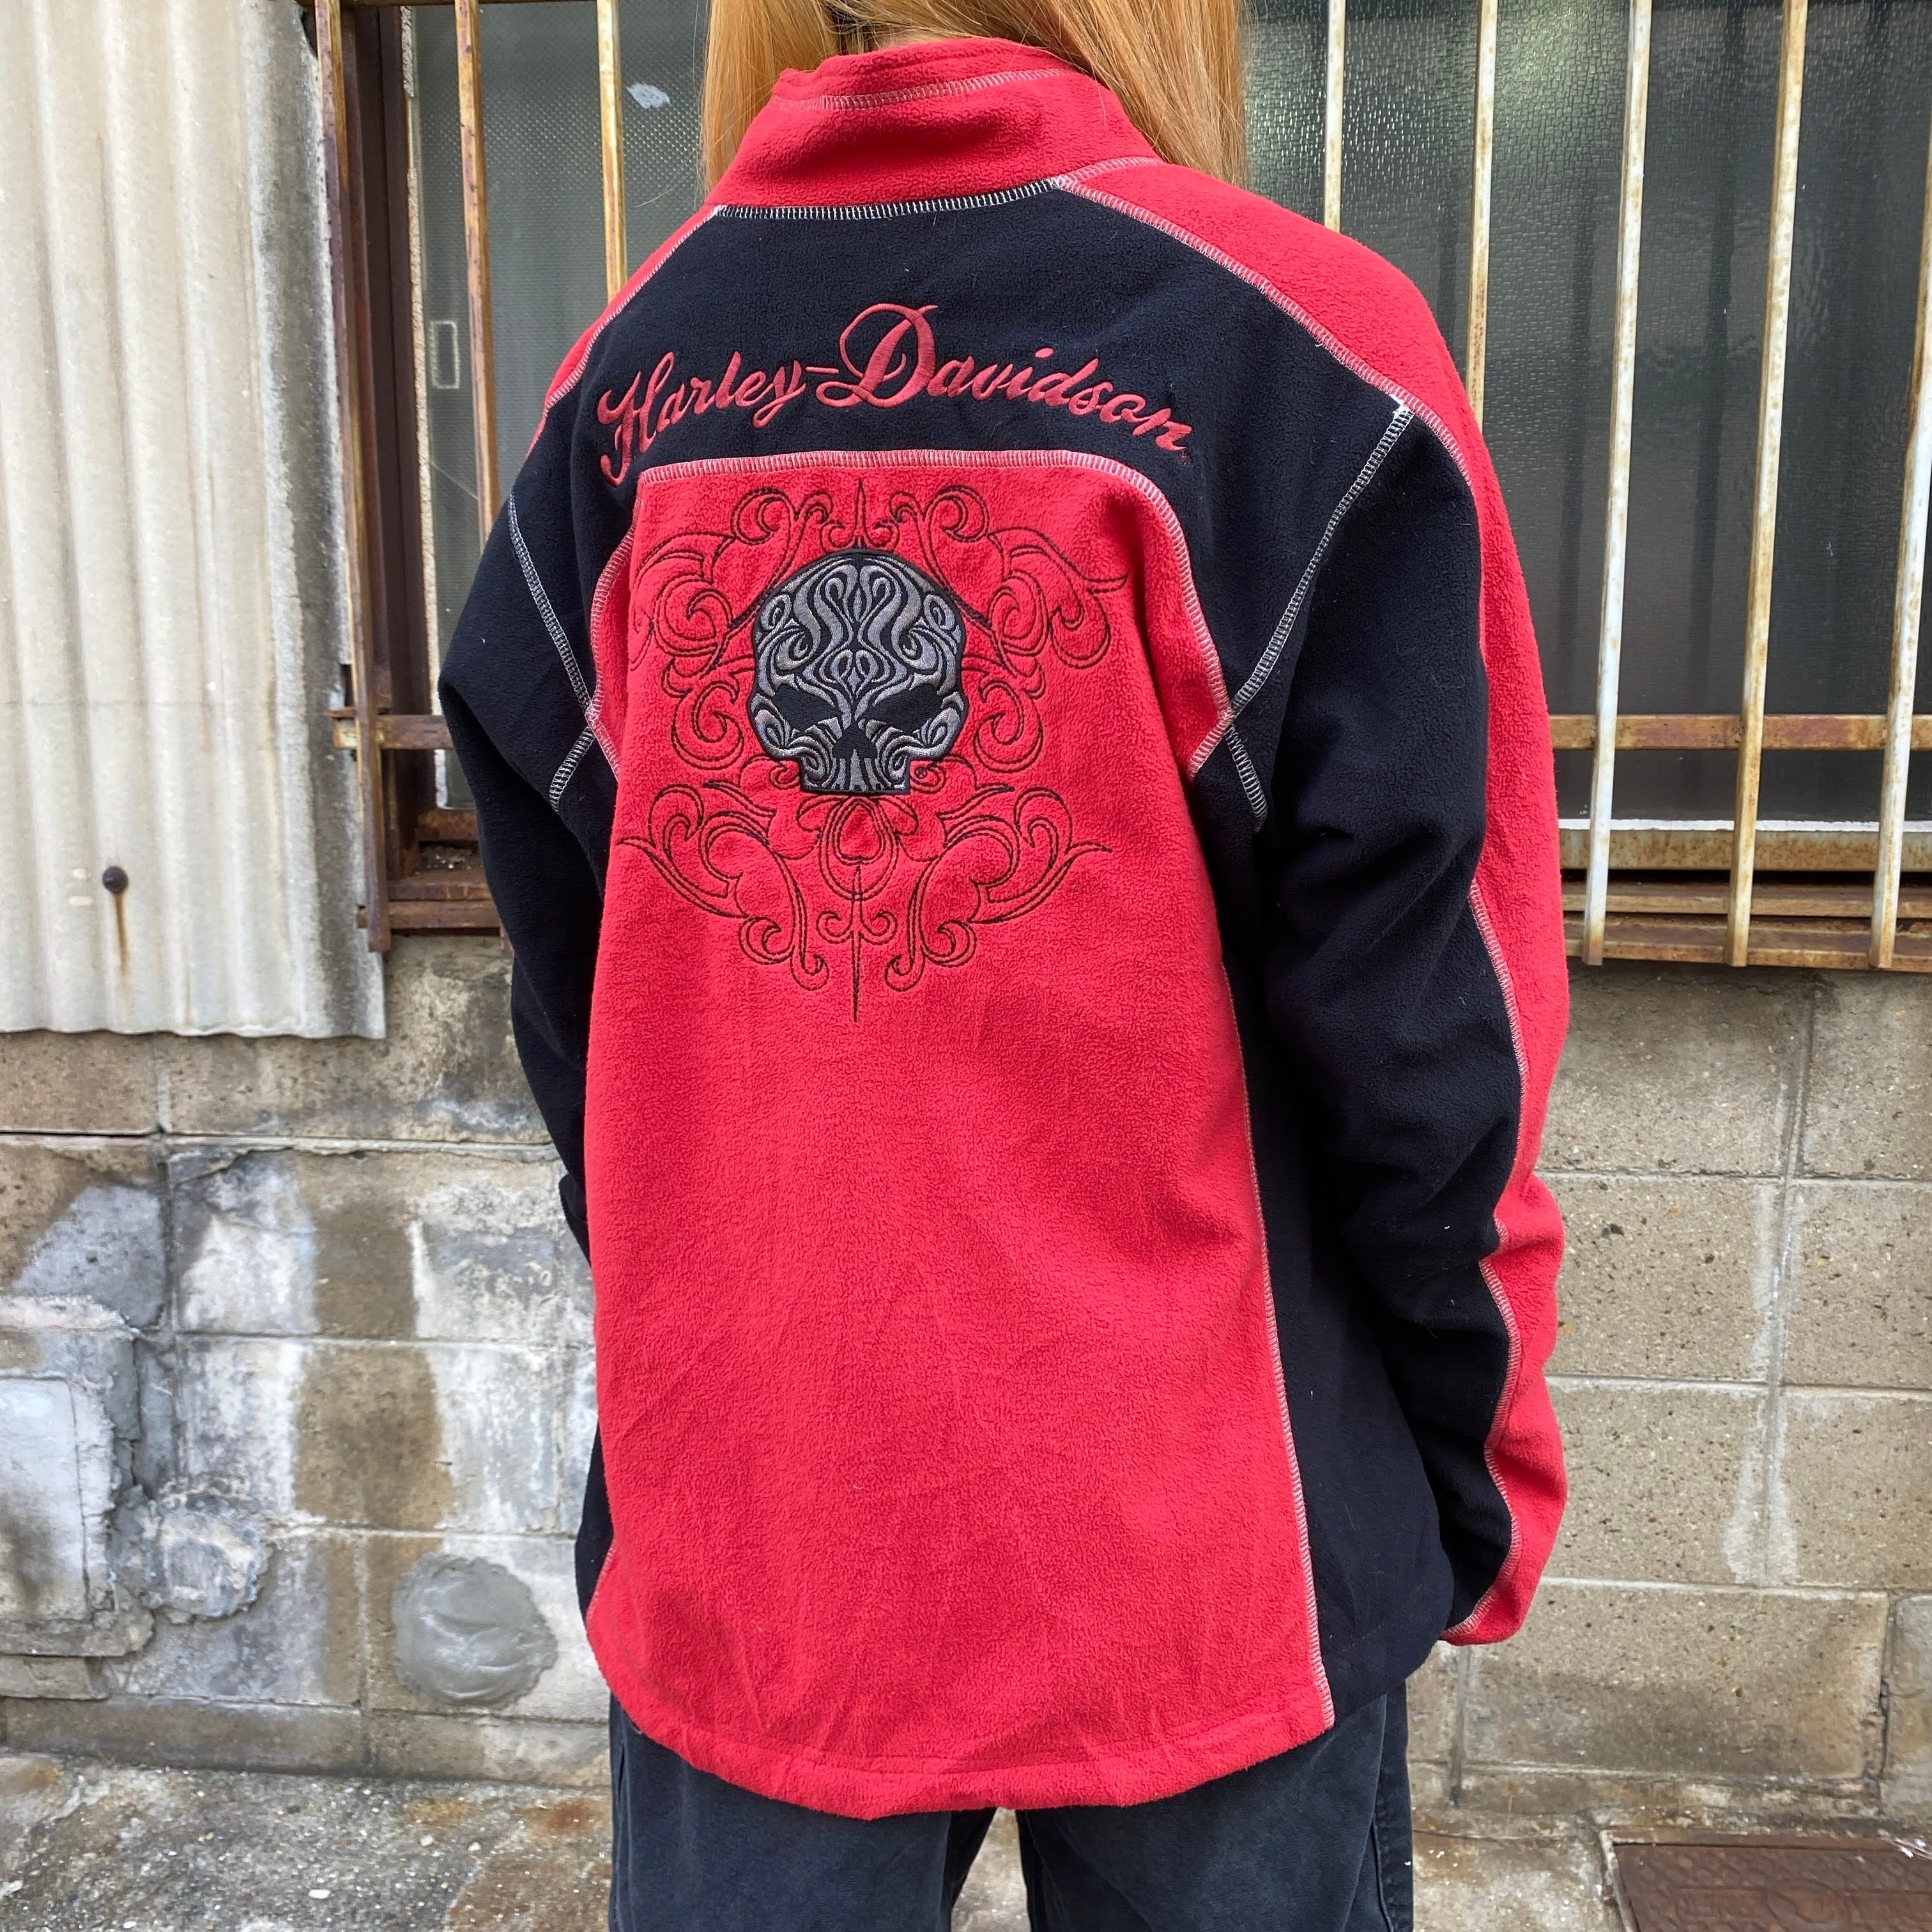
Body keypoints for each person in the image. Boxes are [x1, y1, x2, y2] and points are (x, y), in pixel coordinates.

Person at [439, 0, 1569, 1924]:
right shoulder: (1298, 356)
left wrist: (699, 1350)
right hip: (1211, 1551)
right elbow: (1432, 1031)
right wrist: (1474, 1453)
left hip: (764, 1535)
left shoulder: (623, 381)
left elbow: (581, 1018)